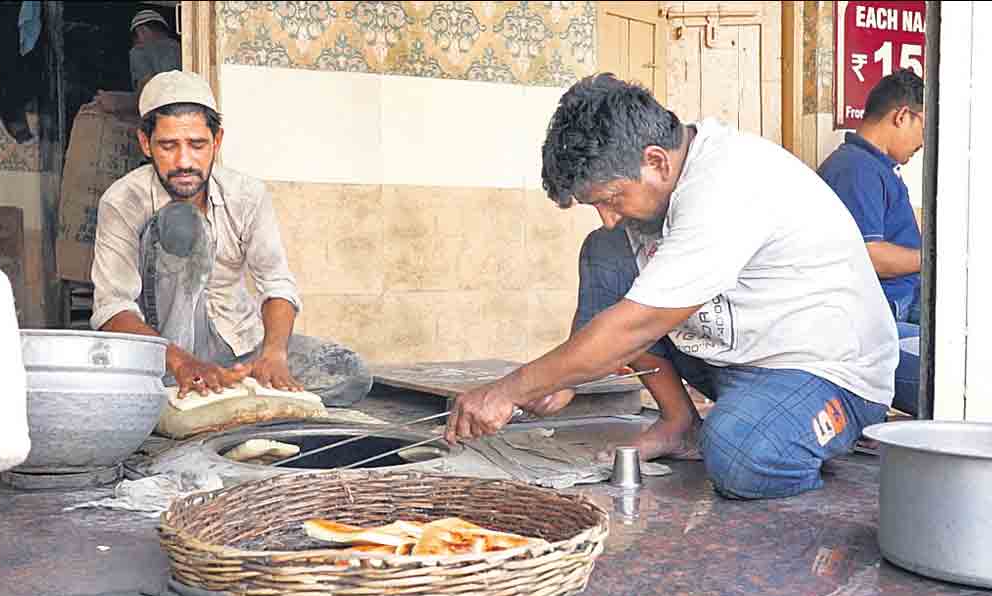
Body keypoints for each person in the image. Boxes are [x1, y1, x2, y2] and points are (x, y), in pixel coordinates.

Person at [443, 73, 899, 499]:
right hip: (731, 360)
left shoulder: (727, 183)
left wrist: (508, 391)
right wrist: (560, 381)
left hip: (823, 373)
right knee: (606, 250)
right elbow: (617, 316)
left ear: (656, 161)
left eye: (611, 198)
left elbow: (635, 327)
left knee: (741, 453)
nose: (609, 216)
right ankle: (679, 423)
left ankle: (807, 441)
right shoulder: (658, 189)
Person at [90, 70, 372, 406]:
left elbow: (276, 283)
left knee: (349, 372)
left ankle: (222, 390)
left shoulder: (247, 195)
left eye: (197, 145)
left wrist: (273, 355)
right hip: (165, 355)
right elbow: (113, 308)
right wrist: (182, 361)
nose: (184, 161)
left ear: (217, 141)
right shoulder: (122, 200)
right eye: (168, 146)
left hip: (239, 346)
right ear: (145, 143)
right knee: (180, 222)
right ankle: (201, 388)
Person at [818, 69, 924, 416]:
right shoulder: (855, 169)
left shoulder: (876, 165)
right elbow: (870, 257)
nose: (924, 142)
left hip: (902, 305)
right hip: (875, 322)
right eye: (924, 127)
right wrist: (937, 259)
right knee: (959, 376)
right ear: (902, 116)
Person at [129, 9, 182, 92]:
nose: (136, 40)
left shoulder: (139, 51)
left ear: (142, 30)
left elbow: (144, 86)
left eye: (136, 35)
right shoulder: (180, 47)